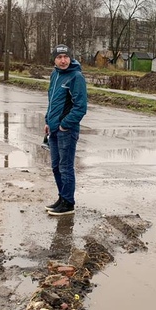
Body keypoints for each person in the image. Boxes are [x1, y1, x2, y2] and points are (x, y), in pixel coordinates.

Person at [44, 44, 88, 216]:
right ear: (54, 60)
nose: (63, 61)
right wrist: (47, 121)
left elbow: (80, 107)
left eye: (66, 57)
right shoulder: (55, 75)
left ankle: (68, 203)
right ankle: (62, 198)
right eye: (59, 57)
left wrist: (65, 124)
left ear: (70, 58)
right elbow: (52, 101)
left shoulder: (76, 77)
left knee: (65, 167)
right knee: (56, 166)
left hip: (66, 130)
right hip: (53, 129)